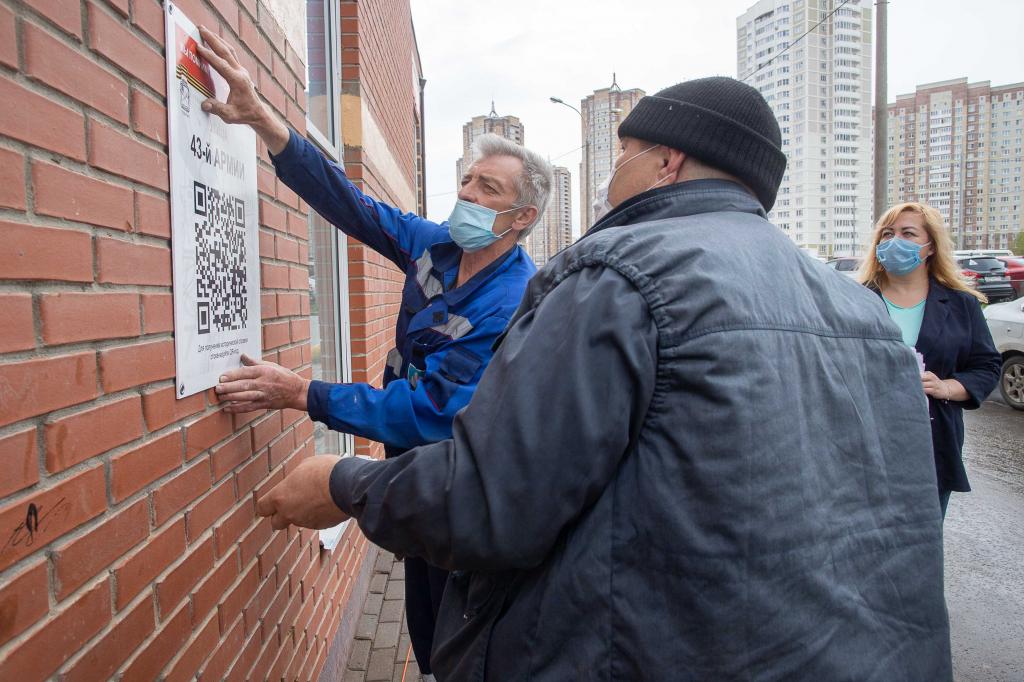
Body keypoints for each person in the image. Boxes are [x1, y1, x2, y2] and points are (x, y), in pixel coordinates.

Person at [256, 77, 952, 679]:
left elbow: (493, 499)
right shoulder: (863, 315)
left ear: (666, 162)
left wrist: (341, 484)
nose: (611, 175)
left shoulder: (619, 277)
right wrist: (273, 128)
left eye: (622, 155)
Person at [193, 27, 551, 680]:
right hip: (412, 475)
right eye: (466, 180)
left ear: (522, 218)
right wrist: (265, 122)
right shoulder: (435, 246)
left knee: (458, 634)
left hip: (462, 485)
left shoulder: (511, 301)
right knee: (422, 616)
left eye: (489, 190)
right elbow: (351, 207)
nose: (467, 195)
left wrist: (303, 394)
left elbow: (430, 412)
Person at [859, 202, 1001, 517]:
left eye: (908, 233)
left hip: (932, 445)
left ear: (930, 247)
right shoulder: (853, 299)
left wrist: (949, 387)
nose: (894, 241)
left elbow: (987, 366)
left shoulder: (961, 304)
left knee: (922, 544)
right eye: (887, 234)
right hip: (864, 443)